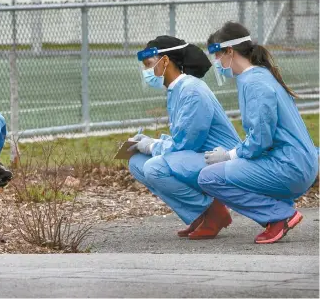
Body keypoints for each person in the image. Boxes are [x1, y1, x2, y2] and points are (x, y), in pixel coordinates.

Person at [199, 21, 318, 244]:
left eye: (217, 55)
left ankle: (280, 216)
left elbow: (260, 140)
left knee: (209, 177)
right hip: (298, 163)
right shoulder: (259, 76)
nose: (216, 62)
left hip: (290, 167)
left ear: (230, 51)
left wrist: (229, 155)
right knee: (226, 170)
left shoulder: (254, 83)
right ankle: (280, 209)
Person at [128, 36, 241, 239]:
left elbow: (187, 144)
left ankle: (215, 213)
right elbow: (183, 139)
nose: (146, 72)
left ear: (164, 61)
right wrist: (149, 143)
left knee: (155, 168)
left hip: (222, 160)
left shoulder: (192, 90)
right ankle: (198, 215)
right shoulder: (177, 89)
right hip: (199, 157)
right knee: (136, 162)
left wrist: (153, 145)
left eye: (148, 65)